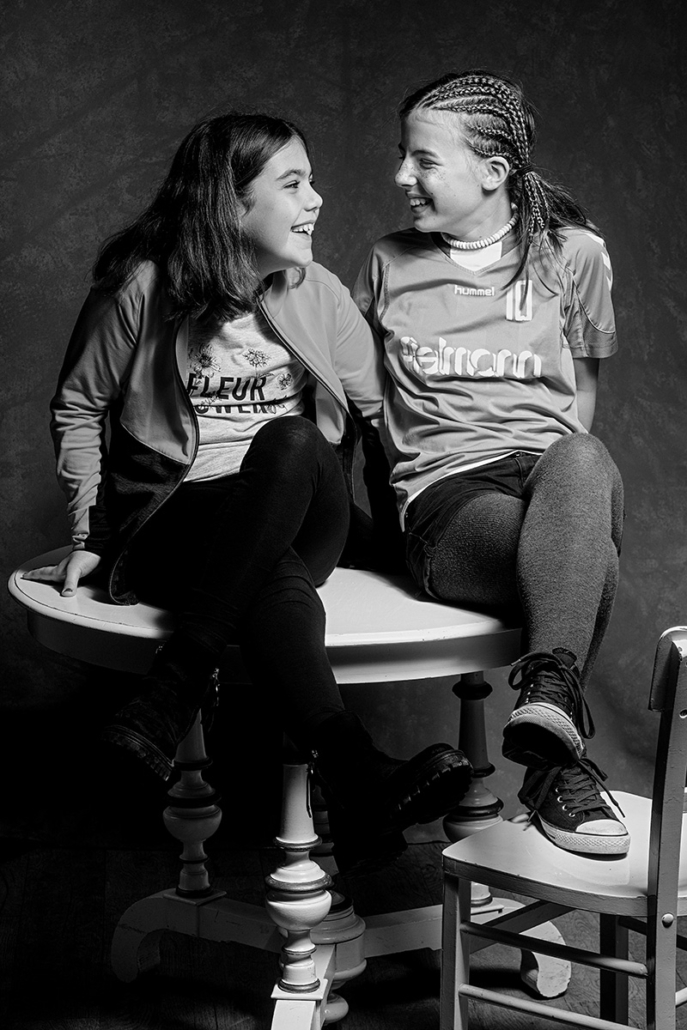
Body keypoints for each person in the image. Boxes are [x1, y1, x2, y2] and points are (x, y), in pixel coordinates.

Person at [24, 113, 471, 874]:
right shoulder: (142, 289)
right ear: (230, 204)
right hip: (178, 519)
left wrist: (409, 538)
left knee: (290, 440)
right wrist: (89, 536)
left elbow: (381, 424)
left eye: (311, 182)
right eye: (293, 184)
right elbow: (78, 405)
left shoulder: (319, 294)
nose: (316, 200)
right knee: (267, 572)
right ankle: (357, 773)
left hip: (304, 510)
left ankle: (174, 686)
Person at [353, 71, 628, 857]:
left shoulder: (576, 255)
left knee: (581, 455)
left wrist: (563, 502)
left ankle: (547, 708)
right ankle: (555, 757)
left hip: (552, 474)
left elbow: (581, 391)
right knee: (590, 561)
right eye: (401, 155)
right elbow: (353, 406)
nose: (400, 176)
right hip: (446, 498)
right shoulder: (386, 262)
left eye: (422, 159)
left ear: (492, 170)